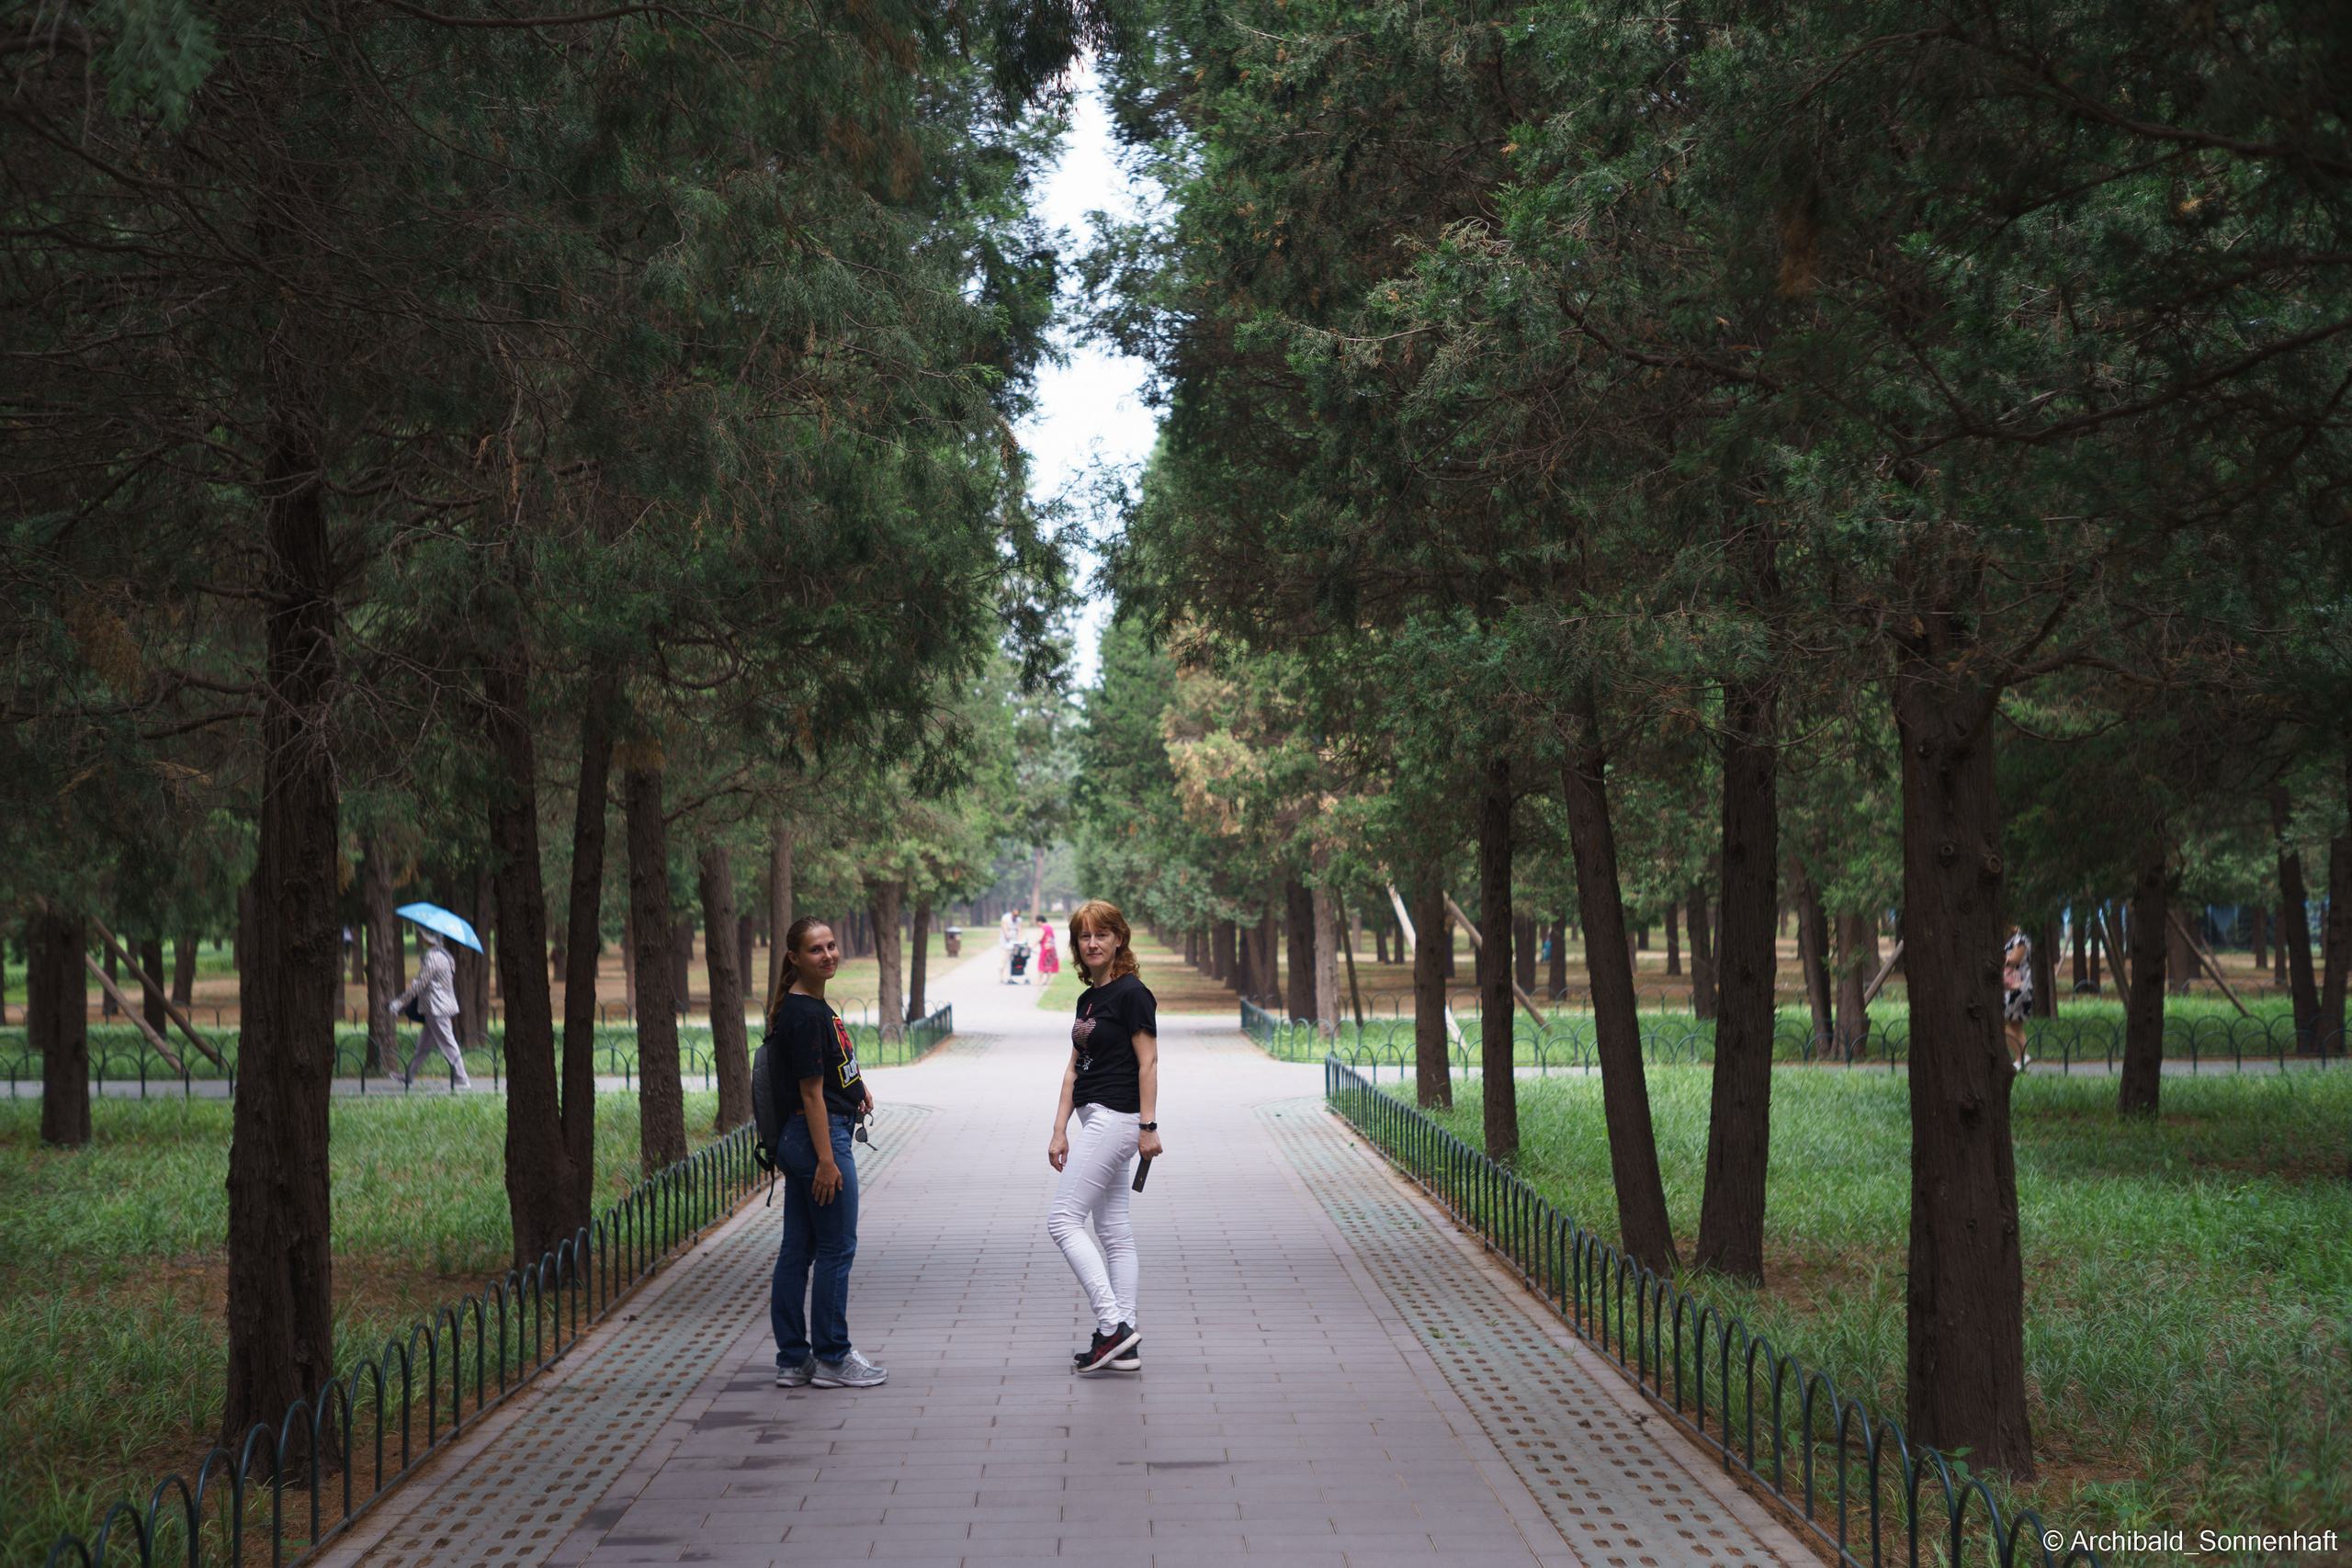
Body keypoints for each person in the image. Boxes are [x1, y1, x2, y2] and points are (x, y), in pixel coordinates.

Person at [765, 917, 886, 1390]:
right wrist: (827, 1162)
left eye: (831, 945)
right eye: (816, 949)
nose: (828, 955)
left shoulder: (807, 1007)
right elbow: (811, 1094)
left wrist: (856, 1087)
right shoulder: (806, 1014)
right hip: (820, 1139)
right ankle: (833, 1357)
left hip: (802, 1138)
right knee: (836, 1248)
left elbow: (829, 1072)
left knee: (797, 1249)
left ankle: (793, 1360)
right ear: (794, 957)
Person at [1046, 898, 1161, 1374]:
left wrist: (1148, 1126)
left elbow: (1148, 1062)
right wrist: (1059, 1130)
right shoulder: (1088, 999)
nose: (1092, 943)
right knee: (1114, 1231)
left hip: (1116, 1118)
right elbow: (1074, 1068)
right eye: (1084, 936)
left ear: (1119, 939)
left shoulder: (1133, 993)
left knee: (1062, 1221)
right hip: (1093, 1116)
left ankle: (1111, 1326)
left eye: (1101, 934)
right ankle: (1124, 1342)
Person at [390, 929, 469, 1089]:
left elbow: (421, 984)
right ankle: (409, 1076)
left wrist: (399, 1002)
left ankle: (462, 1079)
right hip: (437, 1007)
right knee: (423, 1045)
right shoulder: (445, 955)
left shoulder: (433, 957)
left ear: (430, 939)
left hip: (436, 1007)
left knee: (448, 1043)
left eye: (424, 936)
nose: (422, 939)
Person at [2003, 927, 2033, 1072]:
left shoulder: (2020, 939)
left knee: (1999, 1024)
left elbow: (2014, 959)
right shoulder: (2012, 939)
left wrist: (2000, 958)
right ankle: (2022, 1060)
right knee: (2016, 1026)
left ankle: (2020, 1057)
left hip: (2017, 988)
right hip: (2014, 986)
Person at [1035, 917, 1060, 984]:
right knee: (1050, 964)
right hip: (1052, 948)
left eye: (1037, 922)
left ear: (1040, 921)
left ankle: (1040, 980)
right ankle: (1048, 980)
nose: (1037, 924)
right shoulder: (1050, 927)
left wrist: (1033, 945)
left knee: (1042, 964)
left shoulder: (1042, 928)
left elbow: (1040, 938)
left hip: (1045, 948)